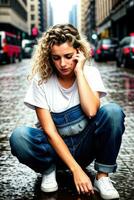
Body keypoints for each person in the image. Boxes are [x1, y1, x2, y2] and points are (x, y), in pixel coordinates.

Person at [10, 24, 125, 199]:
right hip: (54, 151)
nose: (62, 64)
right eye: (56, 58)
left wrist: (79, 72)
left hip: (85, 148)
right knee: (19, 136)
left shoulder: (90, 73)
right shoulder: (41, 81)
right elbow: (49, 131)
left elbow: (92, 111)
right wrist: (76, 170)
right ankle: (48, 170)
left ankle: (102, 177)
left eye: (68, 56)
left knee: (113, 112)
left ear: (78, 53)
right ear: (49, 57)